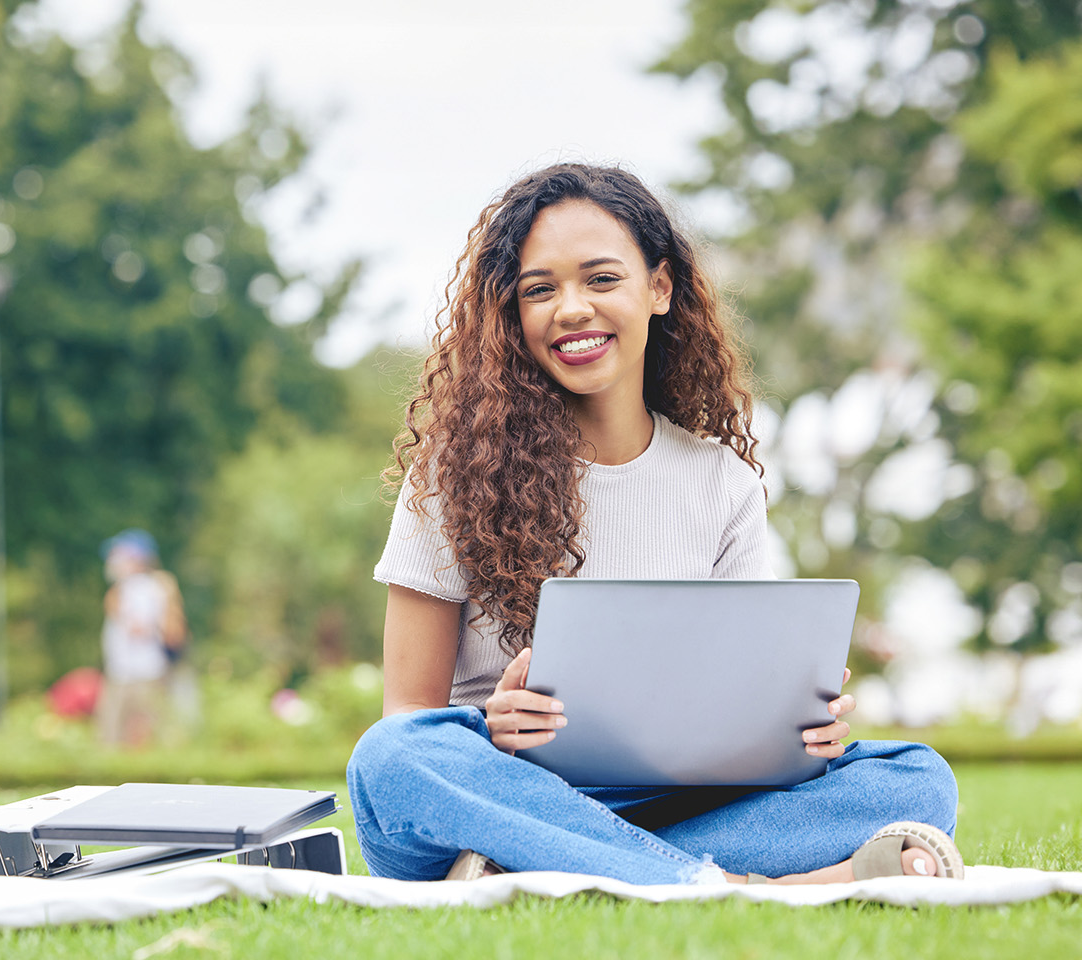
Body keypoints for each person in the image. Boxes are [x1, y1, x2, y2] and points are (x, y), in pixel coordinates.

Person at [346, 164, 961, 886]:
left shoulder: (721, 482)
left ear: (659, 289)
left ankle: (567, 868)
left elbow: (737, 699)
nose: (571, 308)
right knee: (389, 761)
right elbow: (406, 716)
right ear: (512, 312)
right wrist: (492, 732)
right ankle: (730, 884)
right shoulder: (452, 471)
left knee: (918, 778)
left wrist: (797, 734)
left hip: (666, 806)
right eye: (540, 289)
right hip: (493, 795)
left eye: (601, 280)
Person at [96, 529, 187, 747]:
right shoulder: (125, 589)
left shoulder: (146, 588)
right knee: (114, 731)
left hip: (143, 671)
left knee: (142, 731)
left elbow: (144, 628)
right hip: (123, 670)